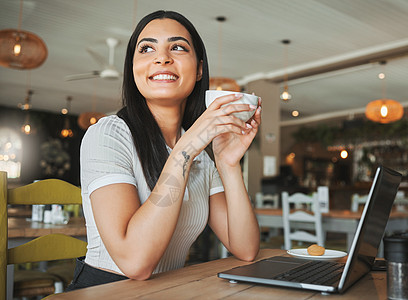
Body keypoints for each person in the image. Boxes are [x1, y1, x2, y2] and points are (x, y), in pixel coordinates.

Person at [67, 10, 262, 291]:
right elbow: (134, 263)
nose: (162, 58)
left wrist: (228, 163)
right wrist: (186, 149)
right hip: (106, 291)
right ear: (133, 68)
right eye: (146, 48)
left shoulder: (196, 147)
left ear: (198, 70)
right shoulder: (108, 134)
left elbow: (245, 249)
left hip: (167, 290)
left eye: (178, 47)